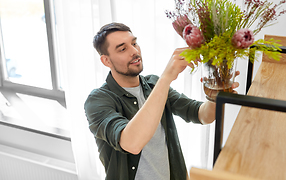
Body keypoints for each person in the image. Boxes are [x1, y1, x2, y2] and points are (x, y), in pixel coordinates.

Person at [84, 22, 239, 180]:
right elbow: (132, 143)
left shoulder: (153, 84)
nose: (134, 51)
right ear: (106, 61)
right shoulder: (97, 100)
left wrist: (214, 97)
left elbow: (202, 115)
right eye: (123, 49)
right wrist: (166, 78)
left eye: (134, 43)